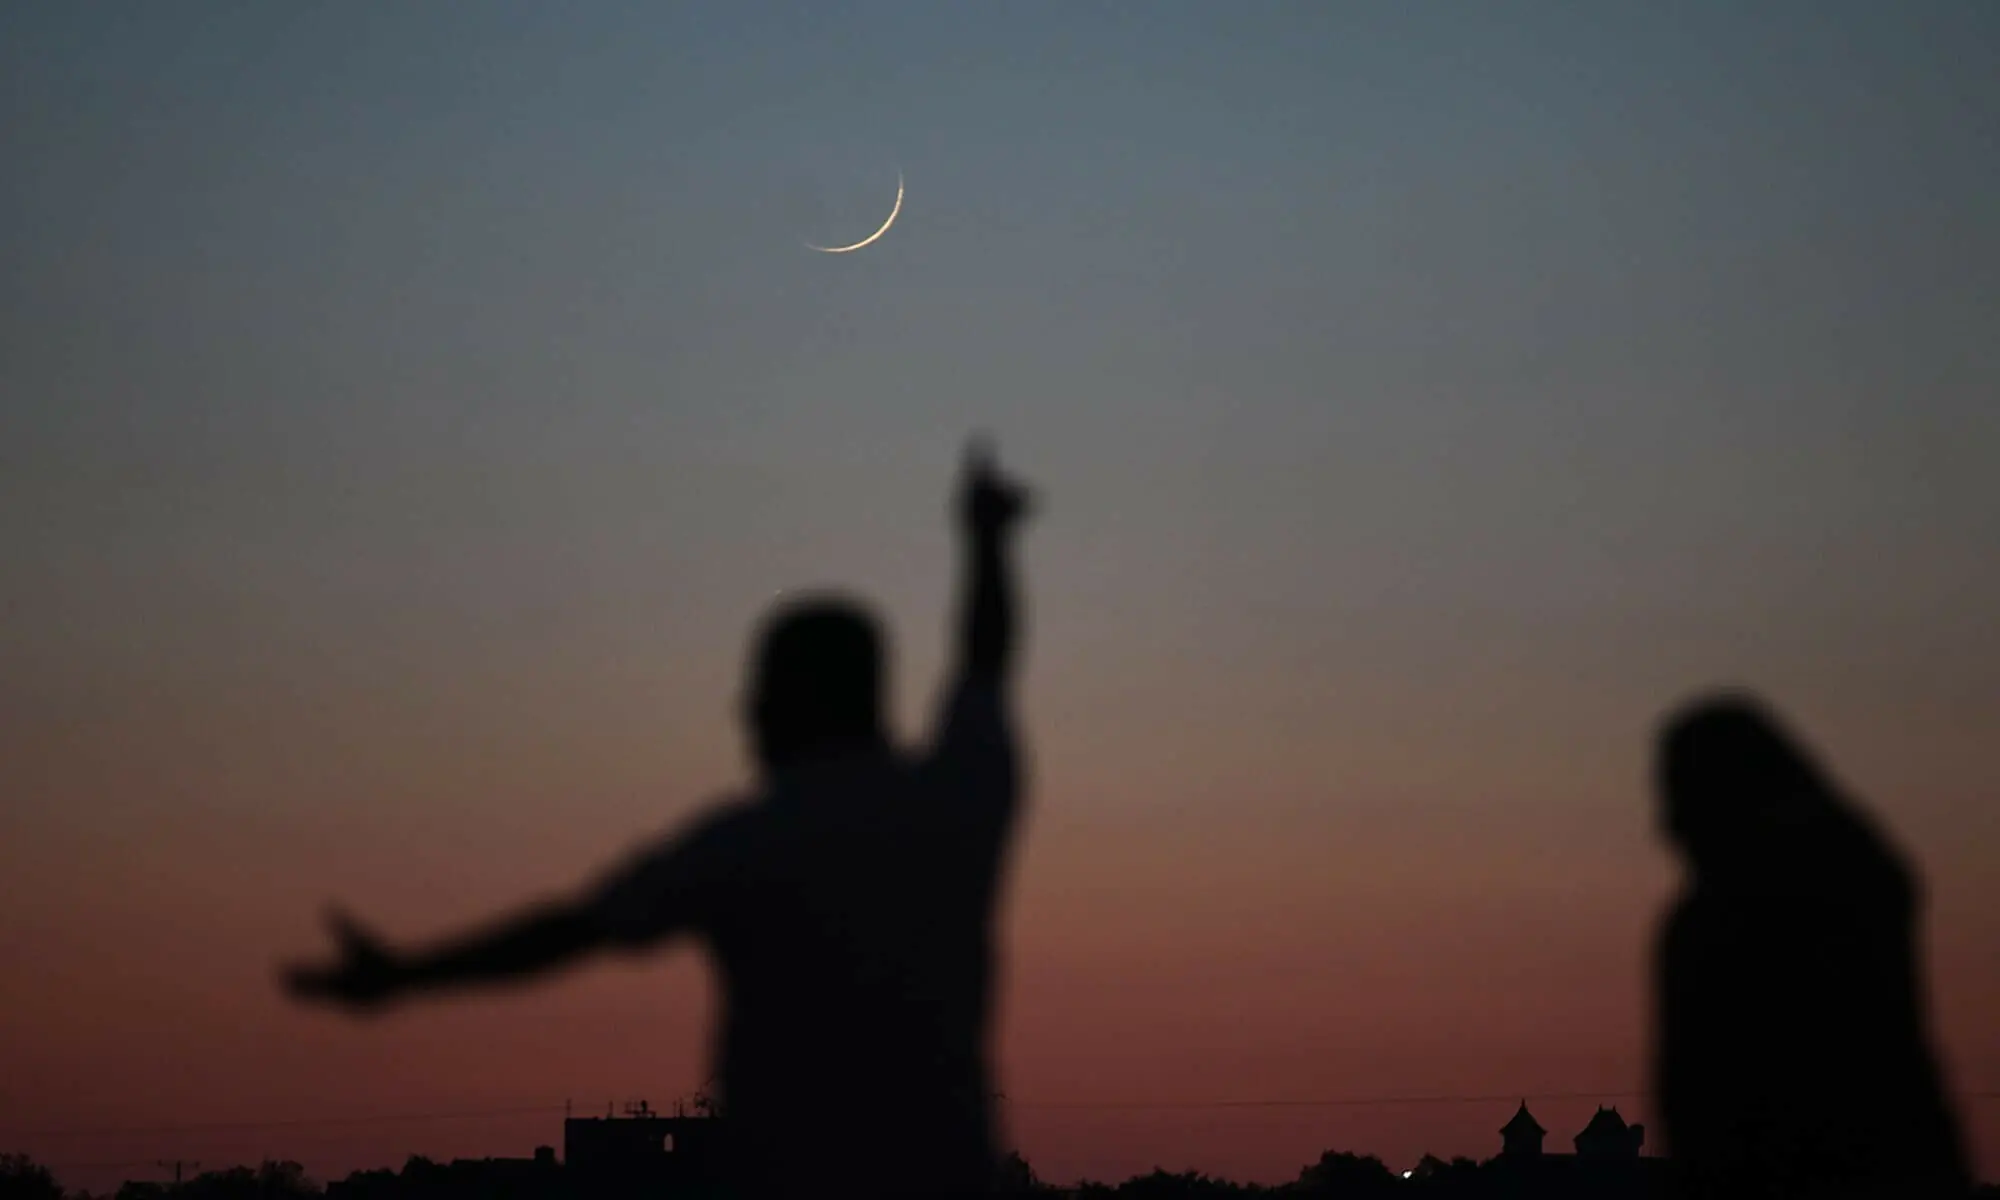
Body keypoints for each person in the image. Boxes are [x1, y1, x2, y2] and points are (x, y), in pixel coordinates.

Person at [285, 440, 1036, 1199]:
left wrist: (406, 976)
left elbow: (568, 932)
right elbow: (985, 663)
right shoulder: (956, 800)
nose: (746, 714)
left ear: (802, 698)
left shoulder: (744, 843)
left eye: (763, 691)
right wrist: (987, 542)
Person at [1650, 693, 1971, 1199]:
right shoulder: (1859, 879)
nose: (1667, 824)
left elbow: (1706, 1100)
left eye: (1684, 798)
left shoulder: (1728, 918)